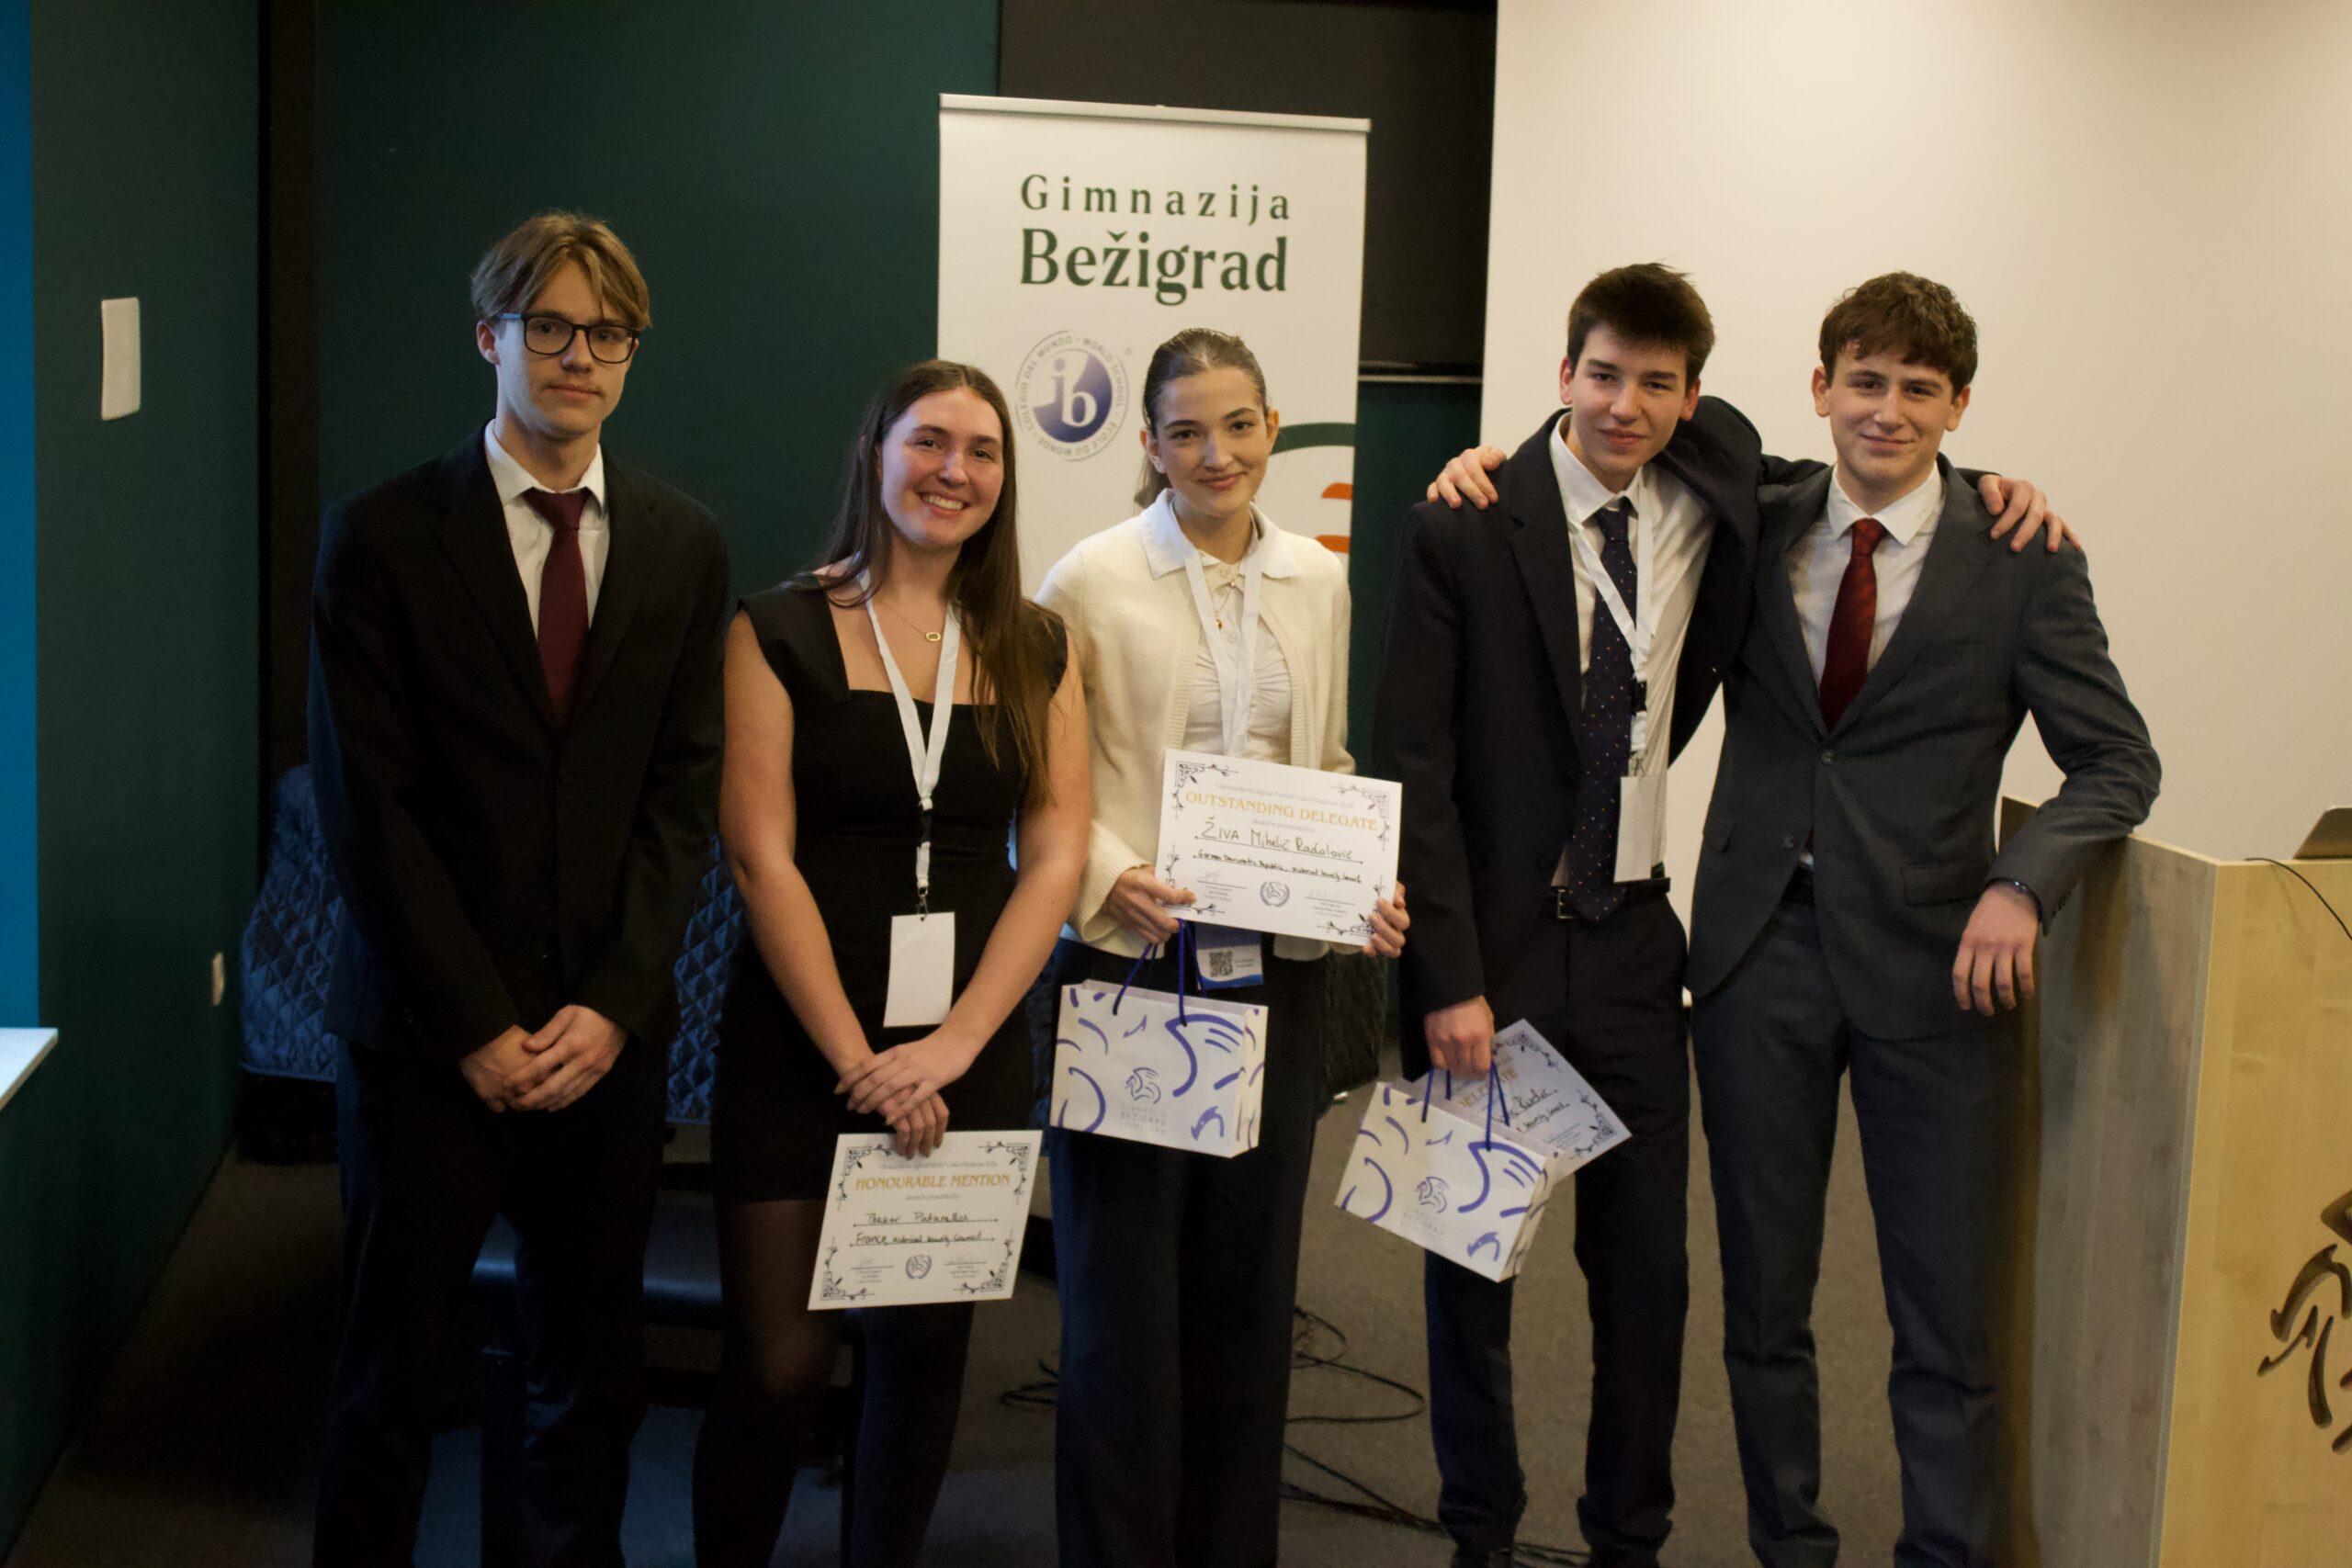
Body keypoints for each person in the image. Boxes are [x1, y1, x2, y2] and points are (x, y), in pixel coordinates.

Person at [1377, 263, 2062, 1568]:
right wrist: (1448, 977)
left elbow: (1886, 461)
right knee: (1470, 1264)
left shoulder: (1720, 496)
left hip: (1639, 946)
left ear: (1694, 400)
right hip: (1492, 954)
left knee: (1649, 1287)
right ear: (1562, 375)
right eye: (1601, 375)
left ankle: (1626, 1539)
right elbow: (1413, 764)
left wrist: (1996, 491)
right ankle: (1479, 1532)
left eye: (1657, 383)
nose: (1624, 405)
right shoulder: (1463, 523)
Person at [1686, 274, 2156, 1568]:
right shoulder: (1755, 513)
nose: (1886, 411)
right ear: (1821, 387)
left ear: (1959, 407)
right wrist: (1491, 460)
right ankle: (1790, 1546)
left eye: (1918, 389)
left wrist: (2023, 884)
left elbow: (2117, 760)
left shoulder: (2022, 557)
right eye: (1865, 381)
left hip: (1941, 971)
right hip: (1758, 956)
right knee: (1764, 1305)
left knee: (1946, 1318)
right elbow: (1625, 425)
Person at [307, 211, 729, 1568]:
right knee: (387, 1378)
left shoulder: (682, 543)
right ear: (489, 337)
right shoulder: (380, 538)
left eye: (609, 333)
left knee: (587, 1378)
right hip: (429, 1041)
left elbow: (681, 800)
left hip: (606, 1043)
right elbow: (369, 813)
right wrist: (476, 1024)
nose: (579, 356)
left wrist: (612, 1007)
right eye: (550, 326)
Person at [690, 359, 1089, 1567]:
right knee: (780, 1367)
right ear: (877, 455)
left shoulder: (1036, 645)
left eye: (982, 450)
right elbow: (758, 855)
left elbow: (1057, 855)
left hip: (965, 1046)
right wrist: (862, 1059)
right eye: (929, 442)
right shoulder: (775, 630)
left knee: (920, 1356)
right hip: (801, 1040)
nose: (953, 471)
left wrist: (954, 1048)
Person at [1036, 326, 1408, 1567]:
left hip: (1274, 975)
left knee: (1250, 1289)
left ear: (1272, 430)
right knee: (1122, 1297)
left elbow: (1329, 762)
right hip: (1134, 967)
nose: (1215, 453)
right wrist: (1107, 875)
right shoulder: (1089, 578)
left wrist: (1361, 881)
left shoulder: (1316, 577)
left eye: (1238, 426)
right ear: (1149, 443)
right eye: (1186, 431)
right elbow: (1044, 773)